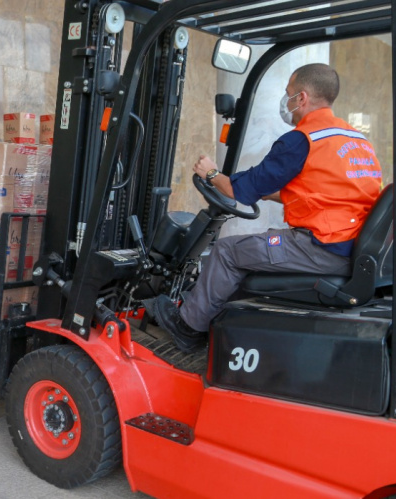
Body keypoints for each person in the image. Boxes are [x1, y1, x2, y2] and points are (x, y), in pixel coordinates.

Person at [146, 63, 383, 353]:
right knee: (254, 246)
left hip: (323, 248)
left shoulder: (301, 140)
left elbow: (237, 191)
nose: (287, 102)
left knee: (227, 251)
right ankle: (220, 322)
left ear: (303, 98)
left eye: (289, 94)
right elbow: (331, 193)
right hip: (349, 245)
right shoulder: (356, 140)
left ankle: (188, 328)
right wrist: (270, 195)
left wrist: (210, 173)